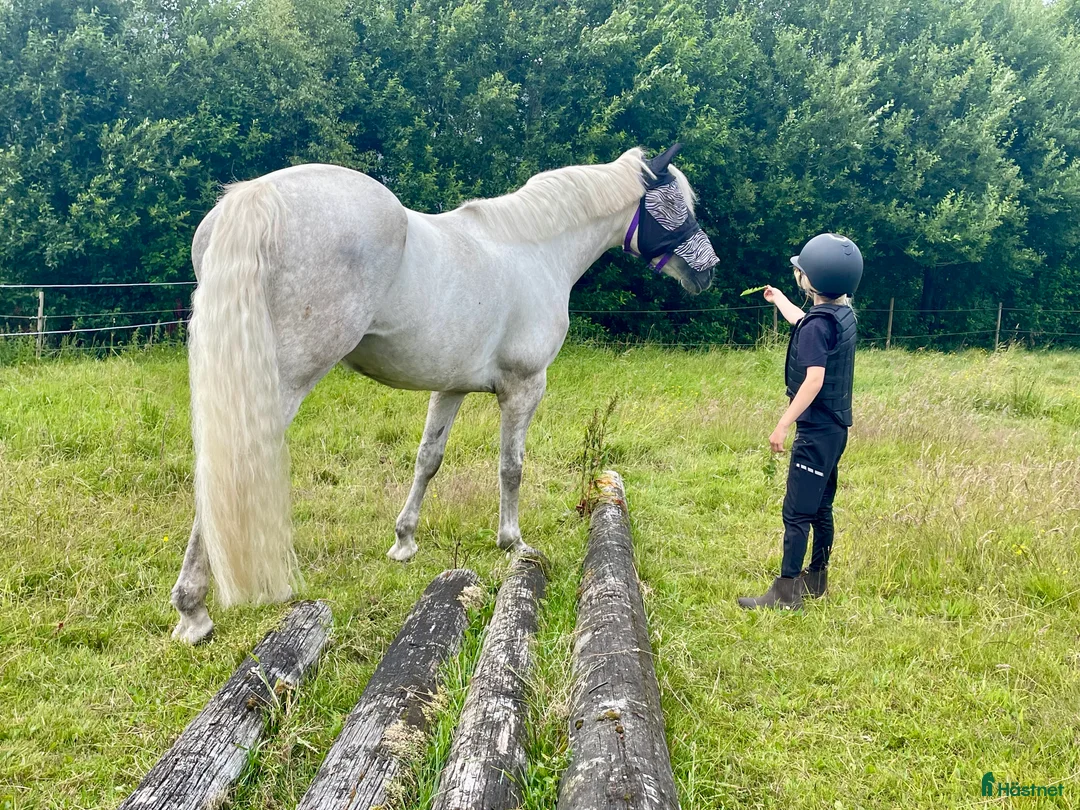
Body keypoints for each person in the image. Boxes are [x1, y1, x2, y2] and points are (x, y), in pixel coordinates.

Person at [738, 233, 863, 610]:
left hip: (815, 431)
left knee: (796, 513)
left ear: (814, 280)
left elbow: (813, 380)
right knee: (821, 506)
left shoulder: (817, 326)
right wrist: (779, 299)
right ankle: (816, 578)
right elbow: (804, 322)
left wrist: (783, 424)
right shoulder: (840, 315)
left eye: (802, 271)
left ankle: (786, 593)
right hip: (836, 429)